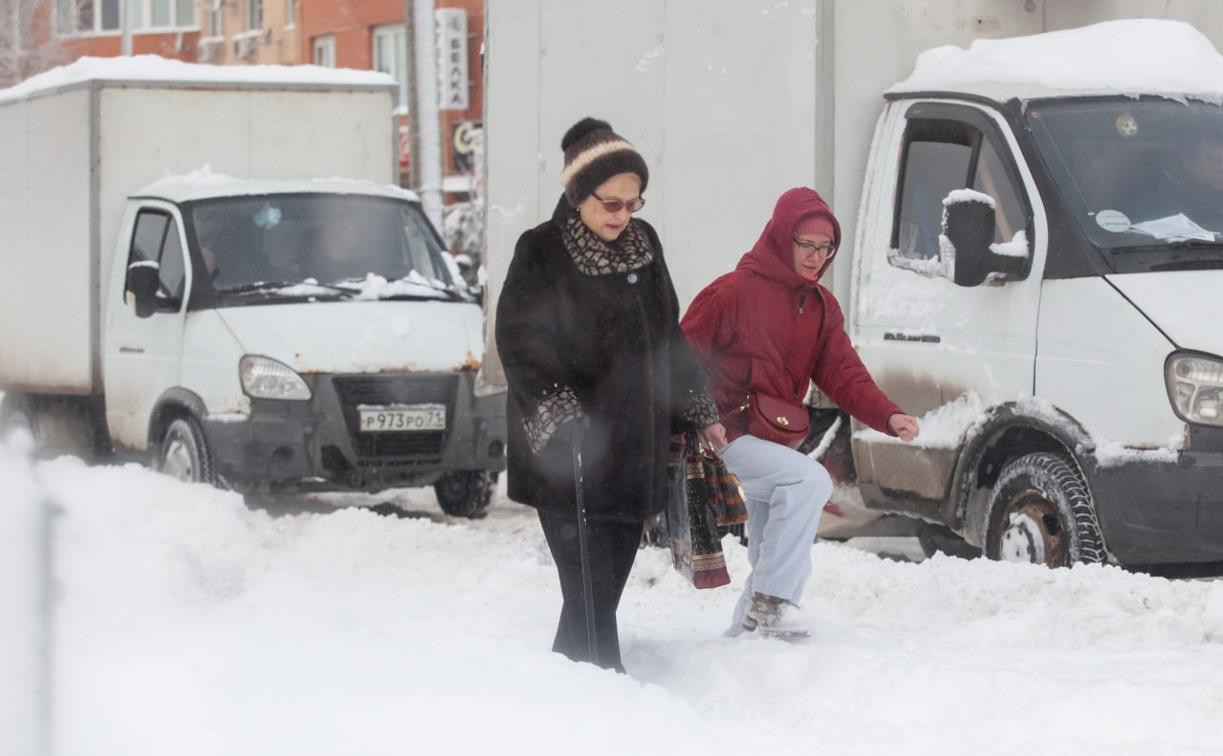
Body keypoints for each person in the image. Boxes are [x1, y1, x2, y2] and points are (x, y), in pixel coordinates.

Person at [495, 118, 725, 672]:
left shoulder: (644, 247)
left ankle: (570, 674)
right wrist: (560, 409)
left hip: (633, 449)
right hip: (566, 450)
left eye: (633, 203)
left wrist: (699, 409)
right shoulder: (541, 251)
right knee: (585, 580)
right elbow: (520, 339)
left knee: (604, 583)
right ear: (578, 195)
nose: (623, 216)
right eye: (611, 203)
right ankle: (604, 677)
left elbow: (669, 334)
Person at [681, 187, 920, 638]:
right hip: (718, 438)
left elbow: (845, 374)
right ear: (779, 237)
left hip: (771, 441)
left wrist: (888, 416)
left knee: (774, 547)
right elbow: (677, 359)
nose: (815, 257)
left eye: (825, 248)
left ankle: (750, 639)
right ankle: (773, 606)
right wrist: (698, 419)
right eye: (805, 245)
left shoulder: (821, 308)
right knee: (808, 481)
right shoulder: (730, 293)